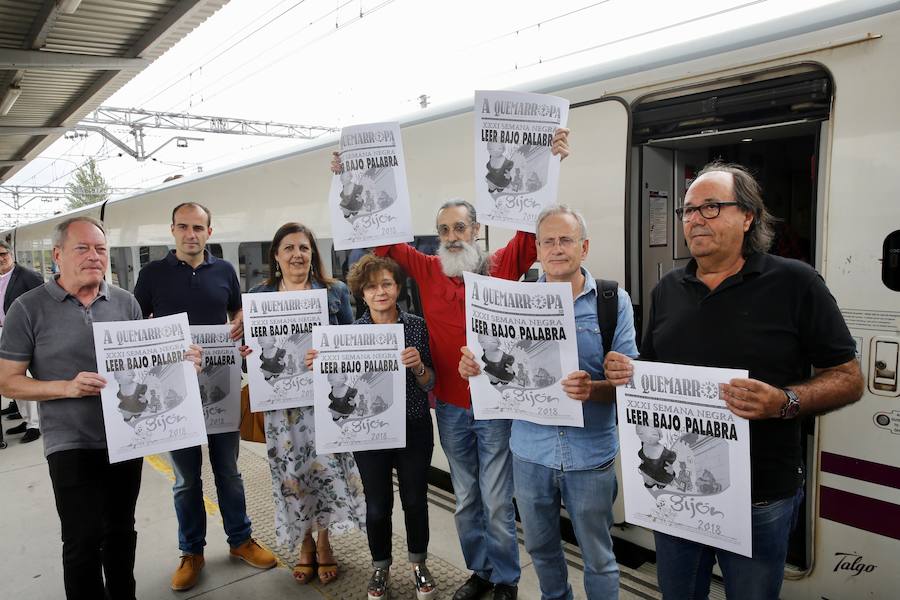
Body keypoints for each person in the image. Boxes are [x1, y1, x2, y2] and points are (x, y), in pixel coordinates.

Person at [603, 161, 864, 600]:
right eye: (688, 210)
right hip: (676, 493)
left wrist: (785, 401)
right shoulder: (668, 288)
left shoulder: (795, 282)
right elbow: (651, 368)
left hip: (760, 497)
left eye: (711, 207)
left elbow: (849, 378)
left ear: (747, 217)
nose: (695, 220)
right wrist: (626, 373)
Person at [333, 127, 570, 600]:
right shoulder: (425, 268)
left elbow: (530, 217)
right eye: (443, 230)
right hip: (452, 409)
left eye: (460, 228)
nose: (452, 236)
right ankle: (480, 572)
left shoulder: (502, 264)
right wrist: (347, 180)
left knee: (499, 501)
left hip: (496, 408)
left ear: (476, 230)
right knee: (466, 500)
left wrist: (553, 160)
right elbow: (379, 235)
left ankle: (505, 580)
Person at [0, 217, 201, 599]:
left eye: (101, 249)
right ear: (57, 255)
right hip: (70, 440)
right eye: (83, 248)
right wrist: (66, 387)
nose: (95, 257)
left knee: (121, 531)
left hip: (126, 437)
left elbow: (147, 367)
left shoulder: (125, 302)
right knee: (81, 539)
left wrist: (181, 363)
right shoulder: (28, 309)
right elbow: (7, 379)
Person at [459, 205, 638, 600]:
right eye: (549, 242)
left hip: (590, 454)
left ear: (584, 247)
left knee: (598, 555)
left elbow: (627, 379)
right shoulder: (513, 300)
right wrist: (472, 364)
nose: (557, 249)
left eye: (566, 240)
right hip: (530, 453)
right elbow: (495, 362)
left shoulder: (612, 301)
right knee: (540, 548)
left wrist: (595, 387)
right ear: (538, 250)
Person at [133, 202, 275, 591]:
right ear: (172, 230)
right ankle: (191, 551)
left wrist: (241, 323)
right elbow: (135, 324)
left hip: (220, 387)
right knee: (185, 479)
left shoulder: (225, 271)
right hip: (172, 393)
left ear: (209, 233)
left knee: (229, 473)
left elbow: (236, 313)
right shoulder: (151, 274)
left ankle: (240, 540)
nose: (190, 234)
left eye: (198, 227)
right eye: (183, 227)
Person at [248, 222, 364, 585]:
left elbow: (351, 342)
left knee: (326, 473)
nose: (297, 254)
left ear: (313, 253)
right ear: (277, 256)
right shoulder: (259, 294)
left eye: (304, 247)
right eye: (289, 248)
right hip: (281, 407)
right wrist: (247, 355)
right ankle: (305, 544)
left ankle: (325, 542)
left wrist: (328, 353)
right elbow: (249, 355)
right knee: (292, 474)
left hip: (324, 402)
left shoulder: (334, 292)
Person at [342, 254, 438, 600]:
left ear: (398, 287)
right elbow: (340, 386)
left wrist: (418, 368)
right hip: (370, 433)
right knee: (378, 504)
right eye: (371, 286)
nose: (380, 292)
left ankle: (418, 564)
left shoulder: (417, 327)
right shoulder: (351, 336)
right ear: (361, 294)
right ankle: (380, 565)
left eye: (386, 284)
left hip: (414, 427)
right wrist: (318, 363)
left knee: (415, 500)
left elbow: (430, 384)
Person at [0, 239, 44, 443]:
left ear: (11, 254)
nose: (1, 259)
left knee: (23, 378)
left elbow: (44, 304)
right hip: (4, 332)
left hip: (24, 334)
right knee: (9, 378)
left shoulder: (28, 276)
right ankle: (26, 418)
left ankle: (35, 425)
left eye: (3, 254)